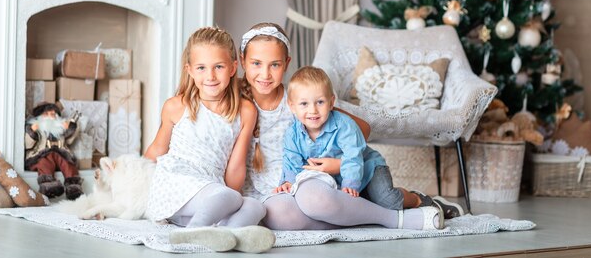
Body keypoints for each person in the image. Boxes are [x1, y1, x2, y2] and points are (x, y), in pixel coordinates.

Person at [238, 23, 456, 231]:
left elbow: (362, 129)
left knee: (318, 199)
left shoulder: (302, 98)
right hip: (283, 188)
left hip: (318, 182)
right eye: (256, 63)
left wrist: (339, 164)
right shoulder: (237, 102)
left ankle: (392, 216)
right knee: (277, 217)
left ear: (286, 63)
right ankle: (362, 214)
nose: (265, 74)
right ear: (242, 61)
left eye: (274, 64)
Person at [144, 26, 275, 253]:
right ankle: (190, 234)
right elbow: (156, 150)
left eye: (219, 67)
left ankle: (225, 235)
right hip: (176, 185)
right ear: (190, 70)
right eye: (202, 68)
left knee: (256, 206)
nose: (211, 76)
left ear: (233, 67)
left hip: (212, 191)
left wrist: (230, 195)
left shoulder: (245, 111)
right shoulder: (176, 106)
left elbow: (235, 170)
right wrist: (129, 176)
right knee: (227, 196)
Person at [277, 66, 442, 217]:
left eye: (320, 102)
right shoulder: (292, 135)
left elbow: (353, 155)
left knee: (388, 201)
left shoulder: (344, 125)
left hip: (369, 169)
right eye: (304, 104)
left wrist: (350, 184)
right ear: (292, 106)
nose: (312, 110)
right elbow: (292, 161)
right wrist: (288, 182)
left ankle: (416, 198)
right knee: (345, 204)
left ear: (331, 102)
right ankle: (364, 194)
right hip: (337, 178)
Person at [25, 102, 83, 200]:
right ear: (39, 117)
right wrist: (32, 131)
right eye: (46, 114)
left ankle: (74, 188)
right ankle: (49, 187)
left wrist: (70, 127)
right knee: (44, 163)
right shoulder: (38, 128)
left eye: (53, 114)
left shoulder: (59, 130)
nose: (50, 117)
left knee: (68, 163)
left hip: (60, 153)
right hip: (41, 155)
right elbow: (28, 144)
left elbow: (69, 140)